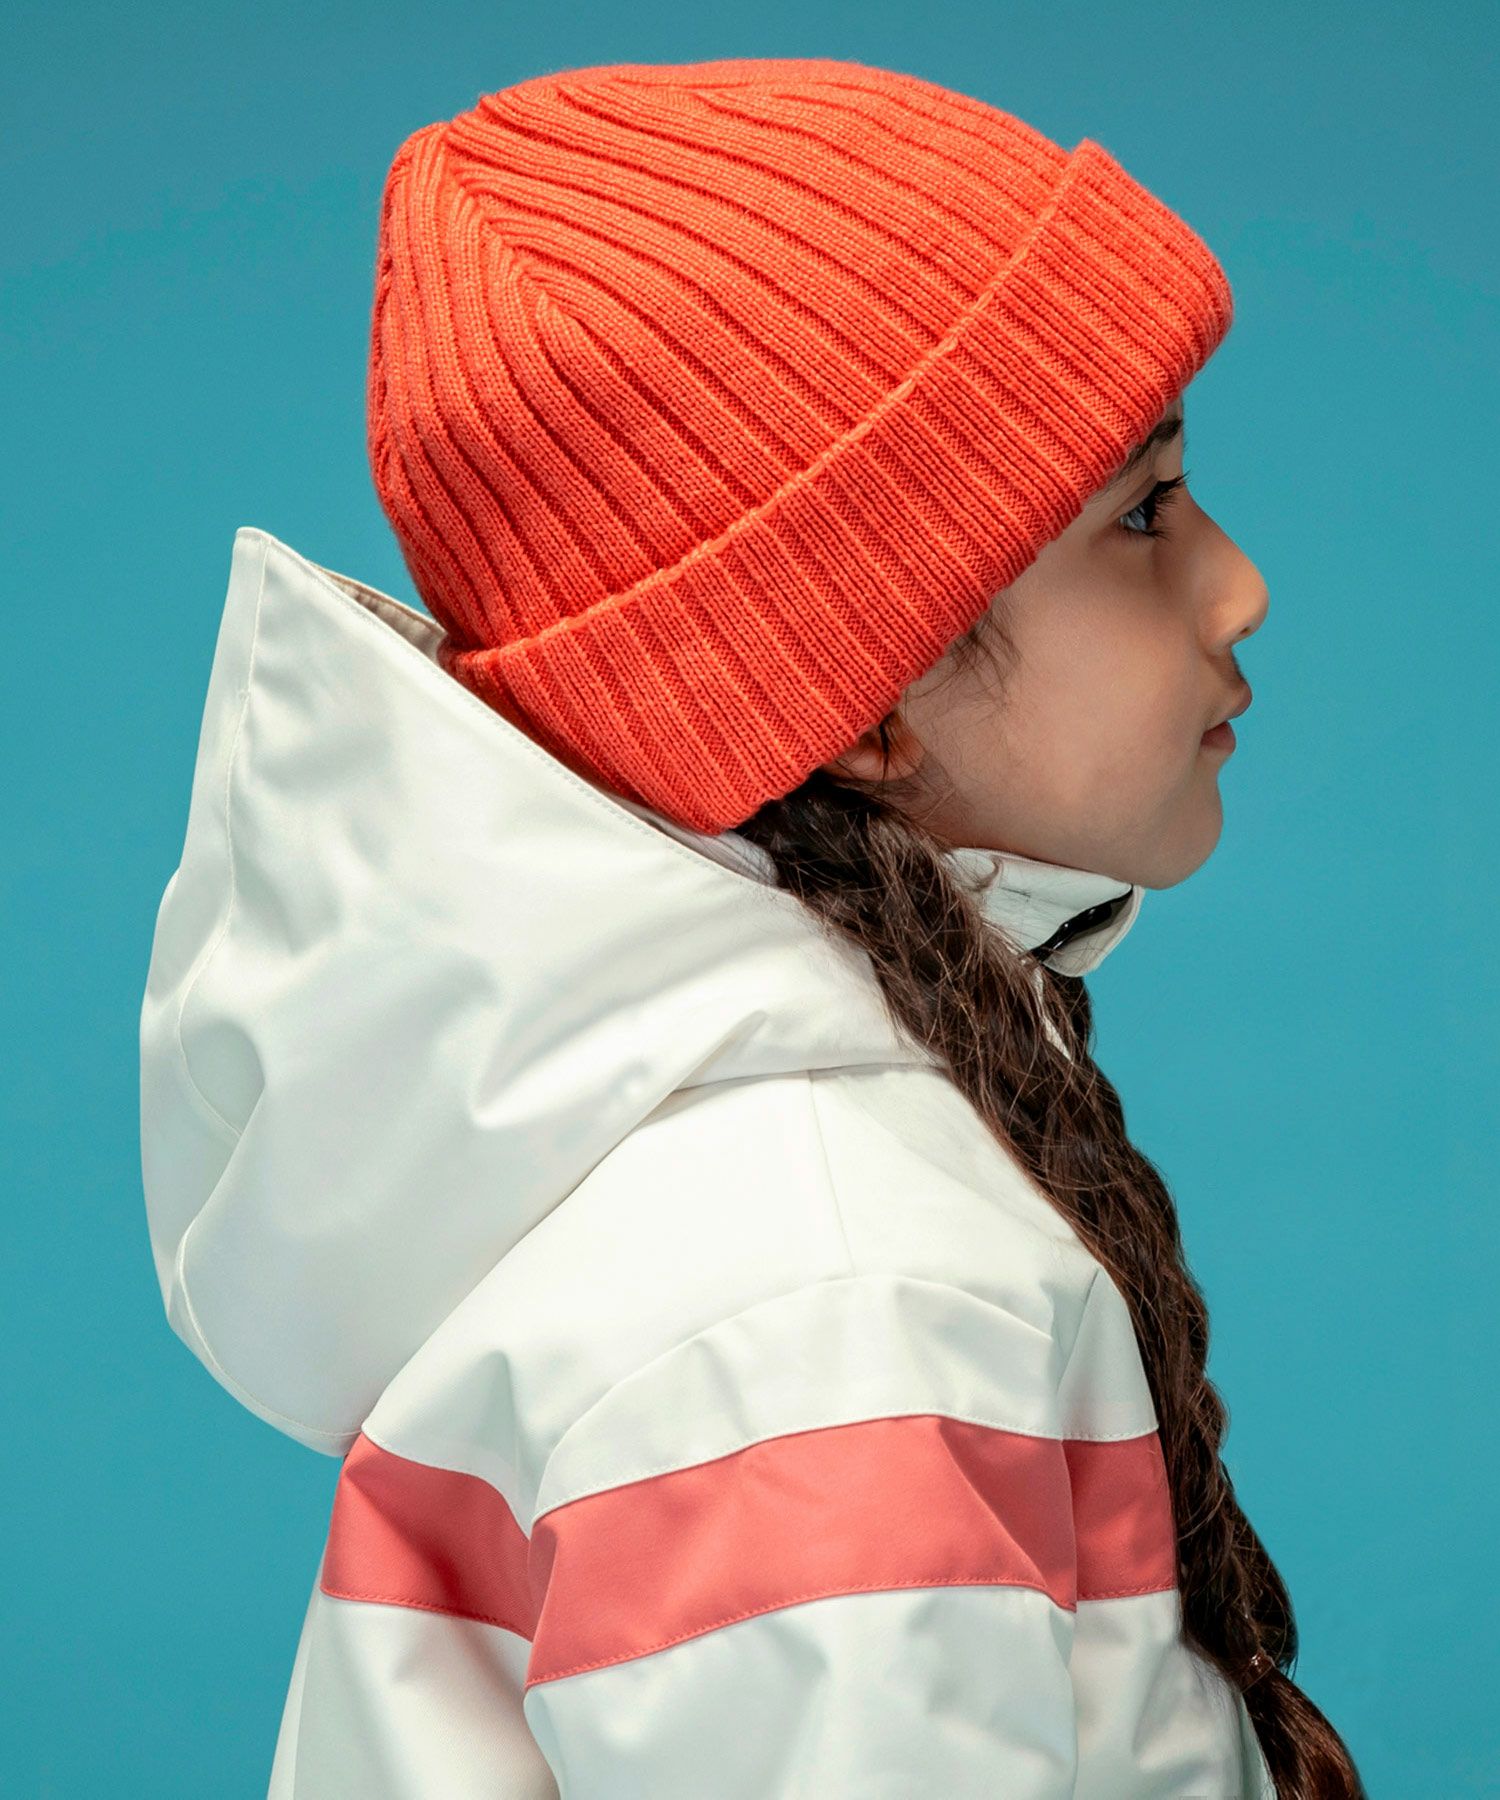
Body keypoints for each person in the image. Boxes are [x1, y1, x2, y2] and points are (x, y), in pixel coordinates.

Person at [138, 55, 1367, 1798]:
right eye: (1143, 517)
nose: (1237, 586)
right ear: (863, 697)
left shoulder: (782, 1229)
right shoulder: (828, 1302)